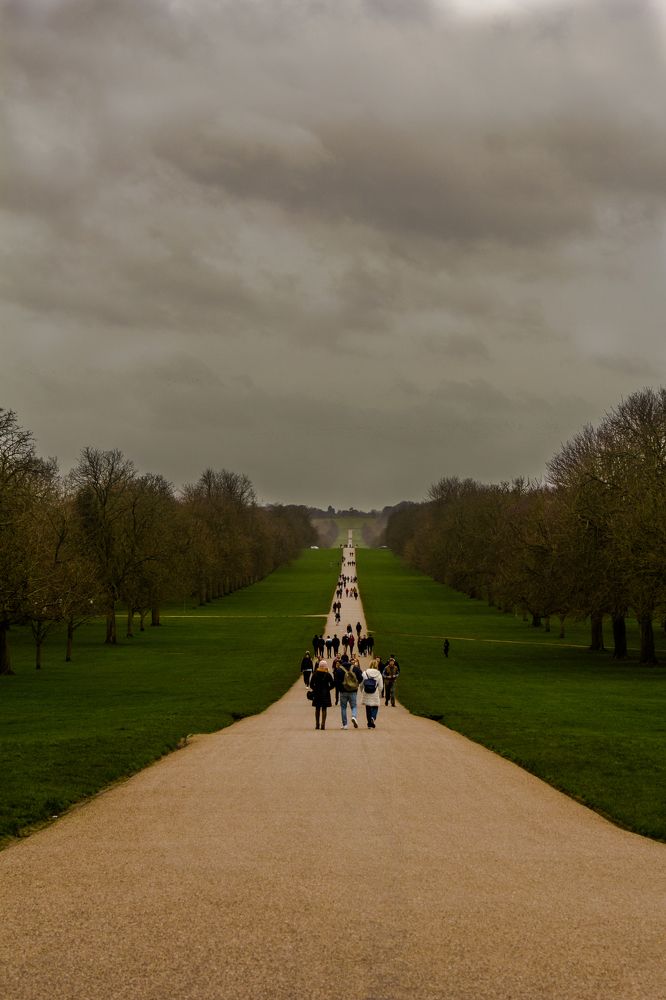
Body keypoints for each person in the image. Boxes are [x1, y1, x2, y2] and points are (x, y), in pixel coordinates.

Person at [333, 653, 363, 729]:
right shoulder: (355, 668)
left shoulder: (339, 669)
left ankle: (345, 725)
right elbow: (361, 678)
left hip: (343, 691)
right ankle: (354, 716)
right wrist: (356, 684)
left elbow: (336, 681)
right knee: (354, 706)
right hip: (353, 690)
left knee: (343, 707)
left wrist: (340, 688)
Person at [309, 659, 334, 730]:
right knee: (324, 708)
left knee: (317, 708)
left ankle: (317, 724)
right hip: (325, 693)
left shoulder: (315, 674)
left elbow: (311, 684)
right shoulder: (328, 674)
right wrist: (327, 689)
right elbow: (332, 684)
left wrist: (315, 689)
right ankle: (323, 724)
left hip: (317, 693)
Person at [360, 657, 384, 729]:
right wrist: (379, 692)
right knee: (375, 706)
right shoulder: (379, 674)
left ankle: (369, 724)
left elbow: (361, 684)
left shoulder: (365, 673)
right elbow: (381, 686)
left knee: (368, 708)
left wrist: (362, 691)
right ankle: (373, 717)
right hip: (375, 692)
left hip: (366, 692)